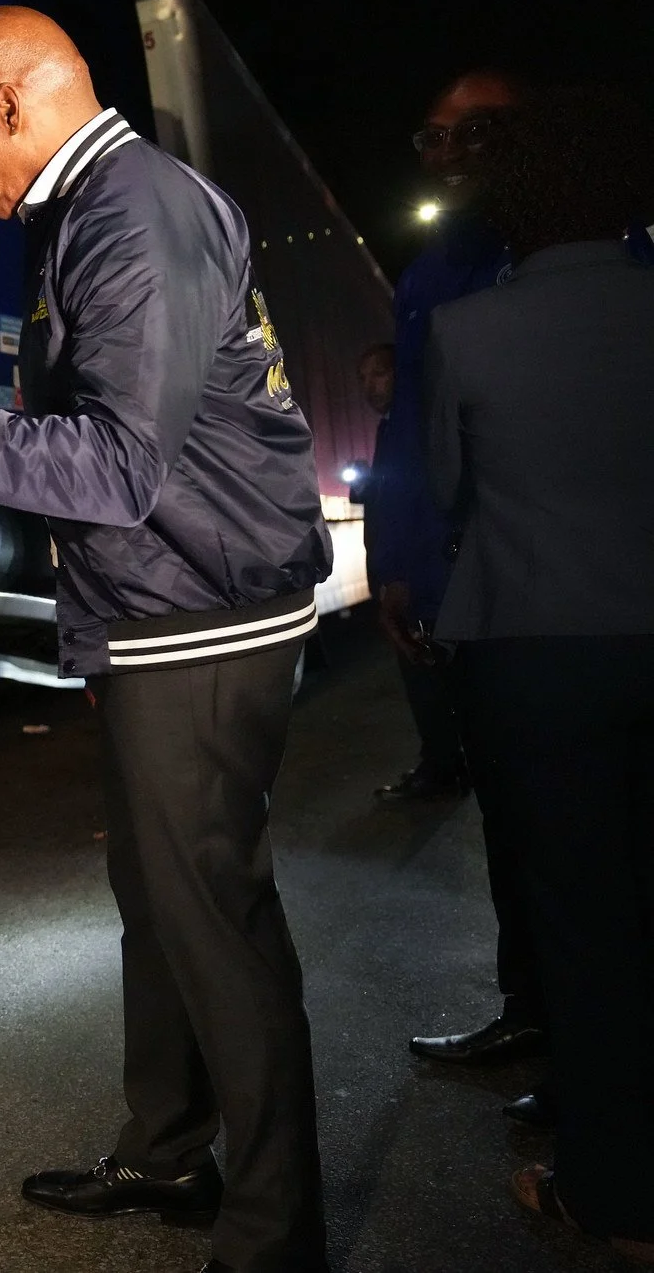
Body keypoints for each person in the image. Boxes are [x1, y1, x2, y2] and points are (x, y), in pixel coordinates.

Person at [0, 6, 331, 1273]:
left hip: (202, 614)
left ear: (9, 102)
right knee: (158, 901)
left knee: (210, 918)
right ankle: (167, 1152)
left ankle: (273, 1236)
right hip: (165, 613)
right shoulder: (92, 211)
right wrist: (100, 636)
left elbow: (116, 470)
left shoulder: (129, 216)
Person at [425, 85, 654, 1266]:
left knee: (582, 927)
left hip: (537, 650)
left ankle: (611, 1189)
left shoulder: (469, 332)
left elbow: (452, 485)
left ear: (508, 207)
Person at [394, 73, 553, 1075]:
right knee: (514, 817)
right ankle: (534, 1012)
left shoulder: (586, 250)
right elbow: (410, 436)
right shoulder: (432, 274)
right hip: (488, 589)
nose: (448, 155)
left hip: (573, 588)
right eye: (434, 136)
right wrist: (398, 559)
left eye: (474, 134)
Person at [357, 339, 467, 804]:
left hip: (419, 584)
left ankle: (445, 770)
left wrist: (400, 578)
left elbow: (417, 508)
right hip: (407, 581)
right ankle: (447, 765)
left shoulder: (414, 430)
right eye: (362, 378)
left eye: (379, 373)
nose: (369, 385)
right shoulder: (391, 431)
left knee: (429, 678)